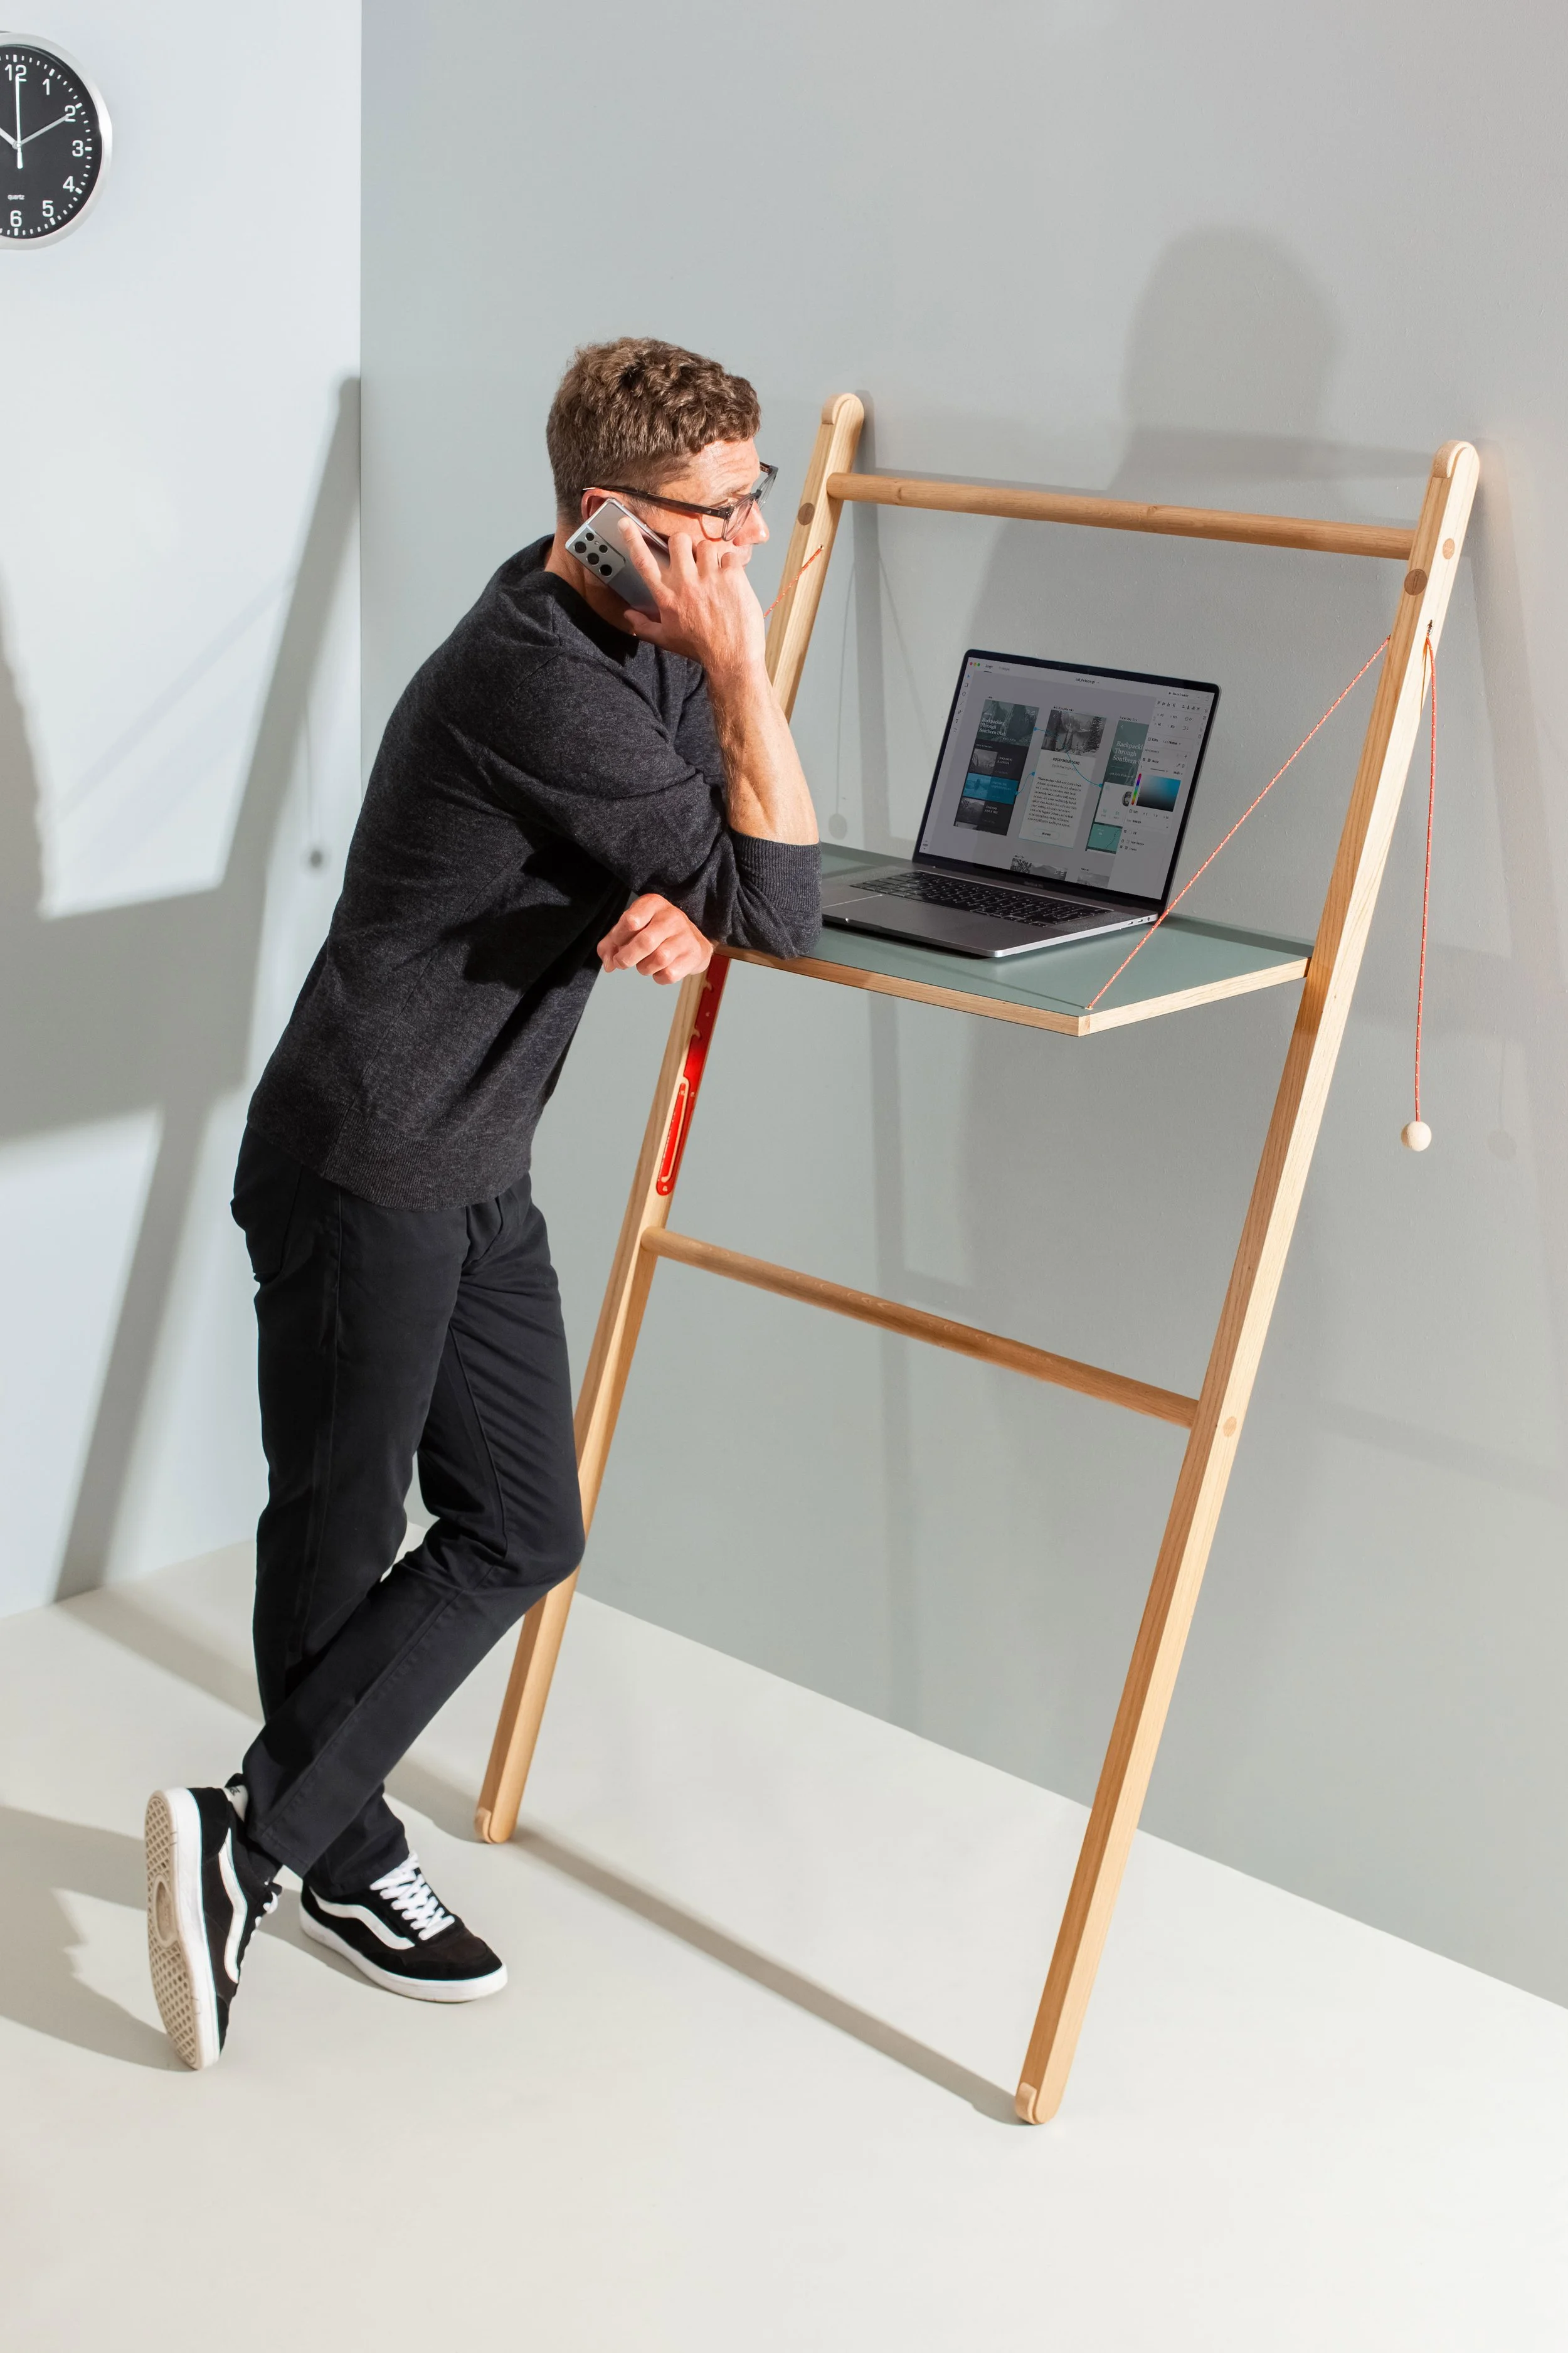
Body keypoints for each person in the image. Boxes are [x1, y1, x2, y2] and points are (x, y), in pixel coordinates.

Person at [142, 338, 821, 2070]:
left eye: (757, 500)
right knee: (337, 1522)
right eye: (717, 515)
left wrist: (701, 892)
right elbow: (785, 894)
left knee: (526, 1521)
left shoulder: (624, 628)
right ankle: (314, 1842)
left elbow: (749, 881)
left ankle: (268, 1827)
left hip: (471, 1154)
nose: (745, 541)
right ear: (609, 521)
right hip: (366, 1157)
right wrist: (743, 715)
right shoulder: (544, 675)